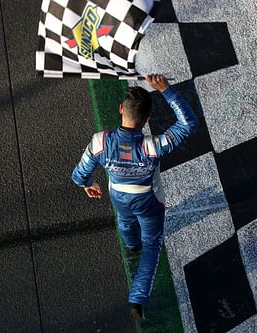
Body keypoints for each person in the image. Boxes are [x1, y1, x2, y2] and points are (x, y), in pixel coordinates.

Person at [71, 74, 199, 320]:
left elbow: (79, 175)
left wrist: (87, 184)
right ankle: (138, 300)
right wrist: (167, 91)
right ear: (148, 119)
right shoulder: (154, 146)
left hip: (118, 195)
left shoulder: (100, 141)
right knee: (152, 245)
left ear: (120, 109)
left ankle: (131, 244)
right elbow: (188, 123)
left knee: (125, 220)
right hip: (149, 200)